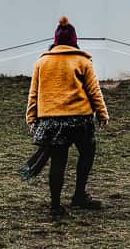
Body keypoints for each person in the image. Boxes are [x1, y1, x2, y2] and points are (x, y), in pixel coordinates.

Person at [21, 16, 109, 221]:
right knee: (87, 153)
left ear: (55, 41)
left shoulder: (42, 62)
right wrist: (102, 113)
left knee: (58, 161)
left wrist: (31, 117)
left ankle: (55, 206)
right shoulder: (82, 61)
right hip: (79, 120)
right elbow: (94, 91)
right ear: (74, 40)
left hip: (52, 121)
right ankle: (79, 195)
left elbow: (34, 92)